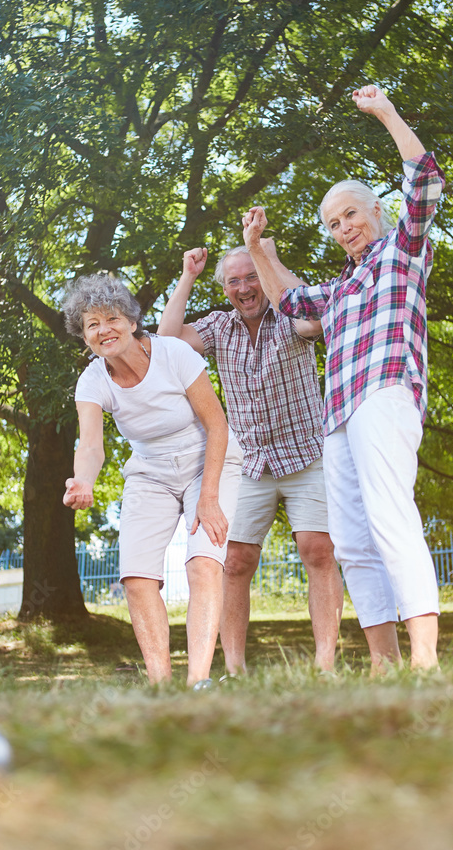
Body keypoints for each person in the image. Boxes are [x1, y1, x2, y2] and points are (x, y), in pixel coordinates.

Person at [243, 83, 444, 672]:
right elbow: (292, 307)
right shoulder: (341, 288)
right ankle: (383, 661)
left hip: (385, 395)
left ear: (375, 211)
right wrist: (258, 250)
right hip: (340, 416)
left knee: (390, 516)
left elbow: (425, 182)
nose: (343, 228)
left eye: (350, 214)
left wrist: (384, 110)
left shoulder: (400, 252)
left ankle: (425, 658)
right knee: (353, 540)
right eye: (333, 223)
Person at [158, 242, 344, 675]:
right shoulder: (219, 327)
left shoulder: (291, 316)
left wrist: (267, 255)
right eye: (234, 280)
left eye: (252, 276)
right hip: (248, 463)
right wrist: (187, 275)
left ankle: (325, 666)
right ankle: (235, 669)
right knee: (235, 561)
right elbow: (166, 342)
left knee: (317, 550)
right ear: (224, 289)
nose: (245, 287)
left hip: (306, 455)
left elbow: (319, 320)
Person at [61, 274, 243, 687]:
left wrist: (209, 498)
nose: (103, 330)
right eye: (92, 324)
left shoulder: (173, 353)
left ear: (130, 320)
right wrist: (82, 481)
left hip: (207, 461)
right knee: (136, 576)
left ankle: (198, 682)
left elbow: (218, 425)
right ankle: (161, 687)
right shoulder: (93, 379)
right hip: (150, 471)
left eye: (111, 319)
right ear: (84, 335)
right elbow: (90, 445)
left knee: (202, 563)